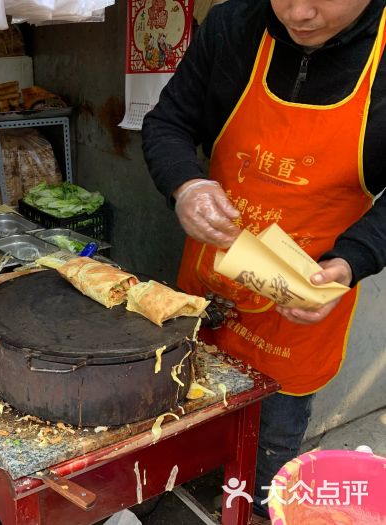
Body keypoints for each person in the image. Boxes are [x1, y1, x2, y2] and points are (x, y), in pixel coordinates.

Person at [142, 0, 386, 521]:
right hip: (206, 289)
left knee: (268, 447)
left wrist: (354, 258)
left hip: (302, 303)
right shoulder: (234, 26)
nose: (299, 13)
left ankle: (253, 504)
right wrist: (187, 185)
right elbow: (168, 123)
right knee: (180, 416)